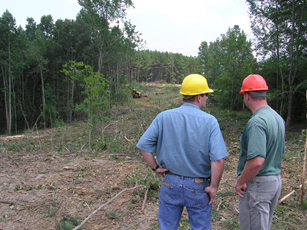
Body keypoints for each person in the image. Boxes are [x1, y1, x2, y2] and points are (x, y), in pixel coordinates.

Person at [136, 74, 228, 230]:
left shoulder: (163, 117)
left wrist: (155, 168)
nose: (207, 98)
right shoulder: (209, 121)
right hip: (199, 186)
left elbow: (144, 146)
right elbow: (218, 160)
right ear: (199, 97)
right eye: (206, 94)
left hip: (169, 182)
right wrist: (213, 187)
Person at [235, 74, 285, 230]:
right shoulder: (276, 118)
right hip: (274, 181)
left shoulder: (257, 122)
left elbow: (257, 161)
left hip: (259, 184)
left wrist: (241, 181)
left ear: (247, 96)